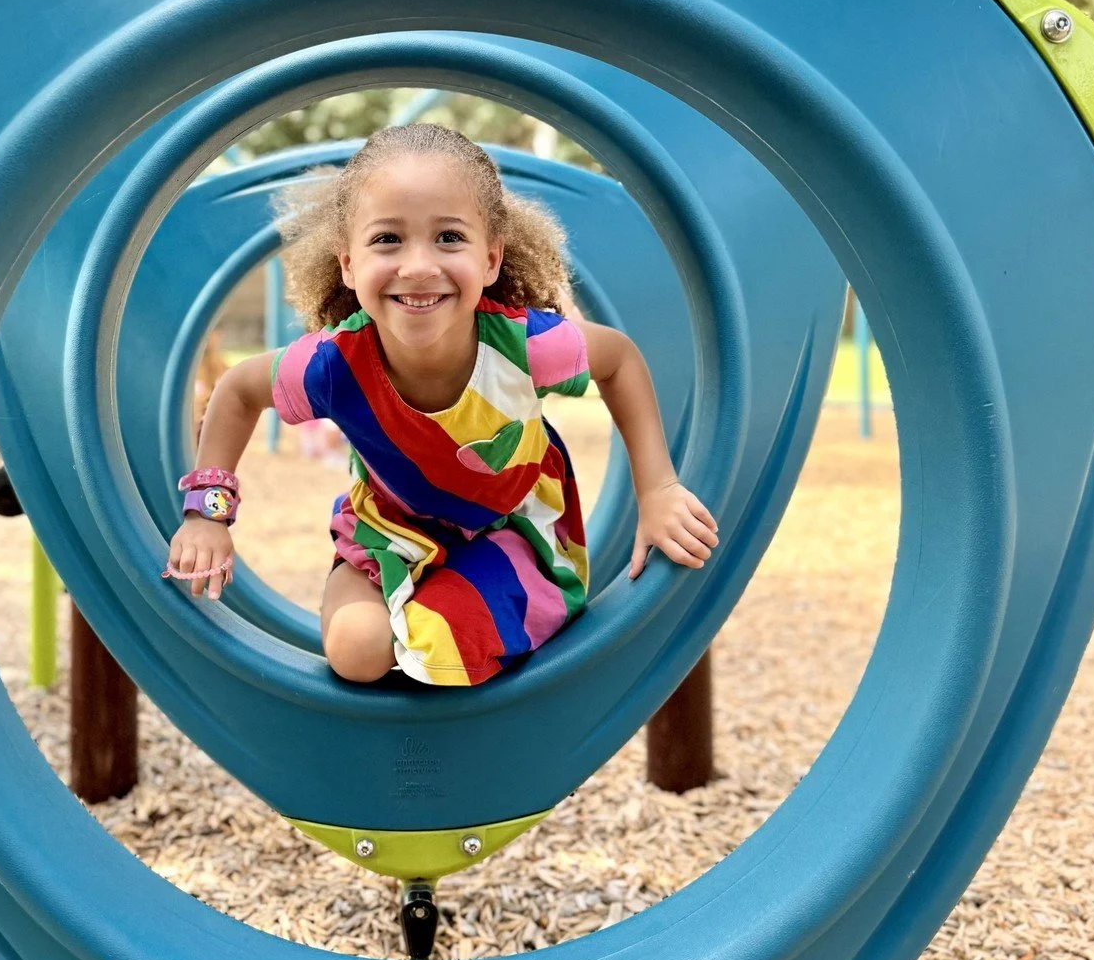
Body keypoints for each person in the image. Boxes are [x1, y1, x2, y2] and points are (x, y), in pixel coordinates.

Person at [167, 124, 717, 686]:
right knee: (357, 652)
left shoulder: (525, 348)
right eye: (387, 240)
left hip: (508, 532)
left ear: (492, 259)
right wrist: (207, 515)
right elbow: (237, 391)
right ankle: (393, 615)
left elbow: (618, 360)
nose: (419, 266)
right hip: (384, 532)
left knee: (445, 649)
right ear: (349, 265)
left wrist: (658, 490)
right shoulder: (334, 364)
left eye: (449, 238)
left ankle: (498, 745)